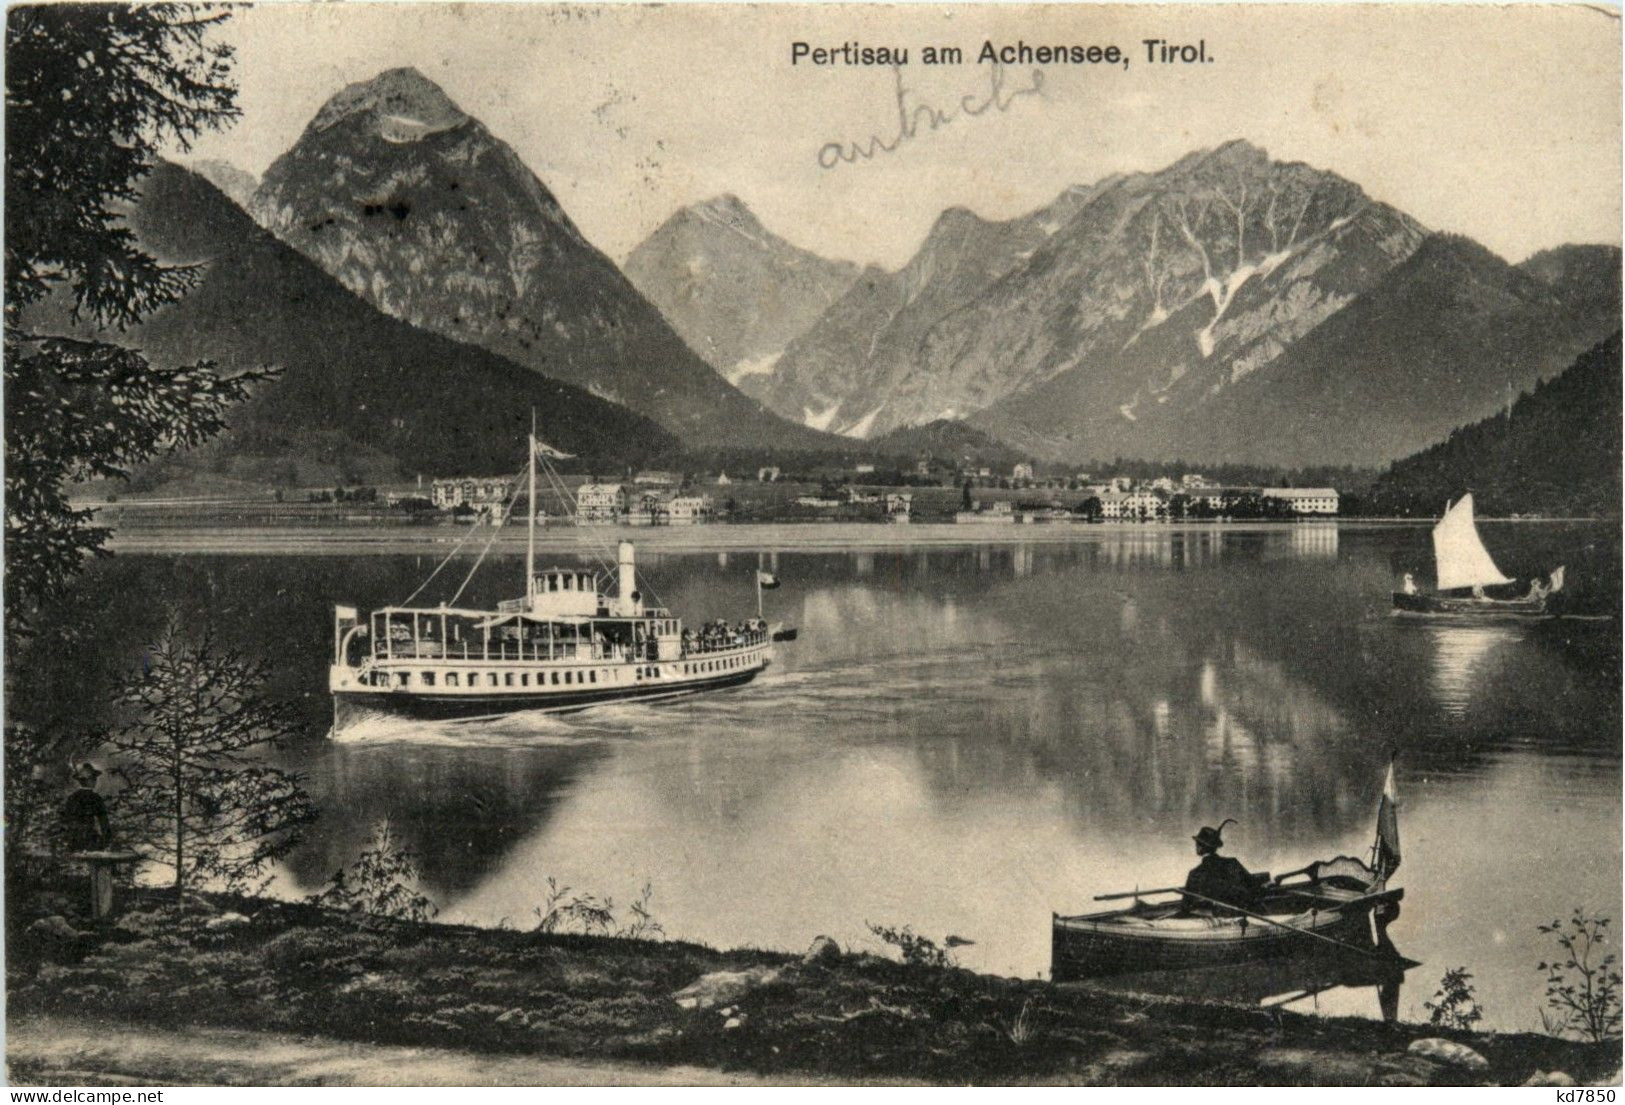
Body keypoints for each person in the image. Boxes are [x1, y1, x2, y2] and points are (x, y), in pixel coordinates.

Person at [1183, 819, 1263, 912]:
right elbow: (1253, 886)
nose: (1196, 846)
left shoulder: (1195, 874)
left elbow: (1186, 906)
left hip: (1212, 917)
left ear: (1200, 846)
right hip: (1240, 912)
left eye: (1197, 843)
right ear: (1215, 847)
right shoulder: (1232, 863)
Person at [61, 761, 111, 852]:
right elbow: (104, 822)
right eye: (94, 779)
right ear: (89, 780)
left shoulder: (72, 798)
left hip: (73, 841)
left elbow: (66, 820)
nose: (95, 781)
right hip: (91, 841)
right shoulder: (96, 798)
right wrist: (107, 842)